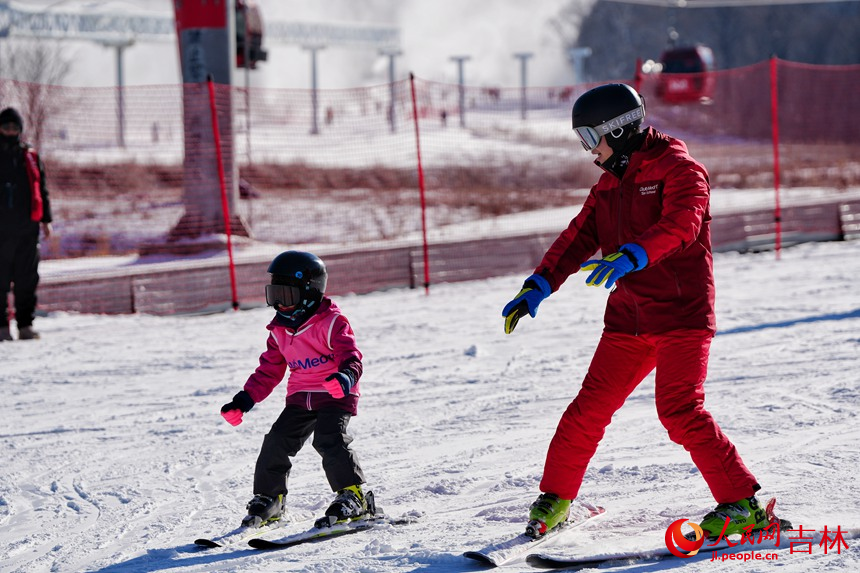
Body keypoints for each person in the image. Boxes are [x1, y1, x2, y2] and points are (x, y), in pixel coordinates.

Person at [502, 84, 768, 539]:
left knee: (680, 410)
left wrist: (633, 255)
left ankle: (743, 504)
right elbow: (577, 238)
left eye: (591, 137)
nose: (588, 149)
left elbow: (682, 224)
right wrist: (539, 283)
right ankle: (557, 497)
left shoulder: (681, 170)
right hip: (629, 318)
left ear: (619, 130)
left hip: (681, 313)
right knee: (587, 410)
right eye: (582, 139)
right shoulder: (609, 184)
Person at [221, 251, 373, 528]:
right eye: (274, 295)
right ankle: (271, 499)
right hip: (301, 396)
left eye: (287, 295)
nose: (280, 303)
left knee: (329, 439)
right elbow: (269, 370)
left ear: (310, 293)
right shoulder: (279, 330)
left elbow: (352, 357)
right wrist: (244, 400)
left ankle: (353, 496)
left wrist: (345, 378)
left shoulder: (332, 322)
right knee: (277, 441)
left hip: (335, 393)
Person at [0, 107, 52, 342]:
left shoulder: (29, 156)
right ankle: (2, 326)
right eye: (6, 127)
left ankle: (25, 325)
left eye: (14, 127)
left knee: (26, 279)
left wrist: (46, 220)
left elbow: (42, 189)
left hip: (27, 230)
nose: (10, 131)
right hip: (1, 231)